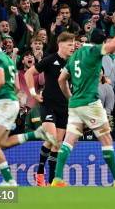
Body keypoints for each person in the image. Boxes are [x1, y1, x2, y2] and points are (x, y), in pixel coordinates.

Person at [50, 18, 115, 187]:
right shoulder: (94, 51)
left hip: (75, 104)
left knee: (68, 141)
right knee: (106, 139)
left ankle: (58, 178)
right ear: (102, 42)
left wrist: (70, 97)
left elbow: (61, 79)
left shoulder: (75, 54)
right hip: (90, 103)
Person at [0, 31, 56, 187]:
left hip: (4, 102)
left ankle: (9, 180)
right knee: (2, 143)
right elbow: (17, 86)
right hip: (12, 101)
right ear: (0, 43)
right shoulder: (8, 59)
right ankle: (36, 134)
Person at [24, 31, 76, 186]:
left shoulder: (73, 63)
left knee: (57, 143)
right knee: (52, 137)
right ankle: (40, 172)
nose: (73, 47)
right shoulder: (50, 60)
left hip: (65, 108)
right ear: (60, 45)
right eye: (69, 44)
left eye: (74, 44)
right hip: (48, 105)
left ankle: (54, 180)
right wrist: (33, 93)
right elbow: (29, 74)